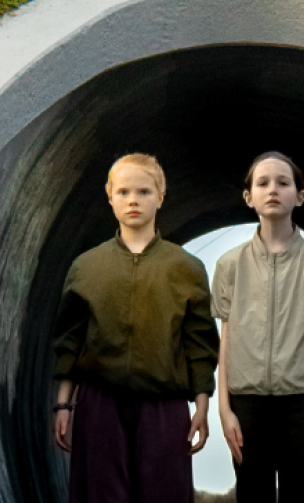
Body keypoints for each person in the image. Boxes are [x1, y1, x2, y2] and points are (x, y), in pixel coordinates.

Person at [51, 153, 220, 503]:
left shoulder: (186, 268)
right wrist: (63, 406)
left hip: (165, 406)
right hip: (99, 404)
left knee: (164, 494)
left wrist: (201, 405)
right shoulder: (86, 266)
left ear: (160, 197)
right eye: (124, 191)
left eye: (144, 192)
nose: (133, 200)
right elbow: (71, 340)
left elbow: (199, 343)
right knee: (100, 495)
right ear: (109, 196)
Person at [212, 152, 304, 503]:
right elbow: (226, 338)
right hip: (246, 402)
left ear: (299, 196)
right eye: (263, 183)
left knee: (301, 494)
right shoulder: (229, 265)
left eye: (283, 183)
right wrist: (224, 409)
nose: (273, 190)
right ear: (248, 196)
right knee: (252, 494)